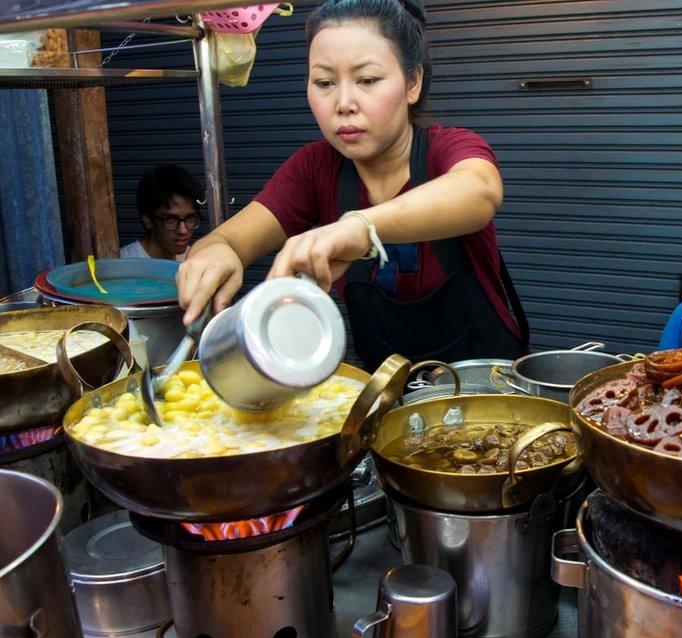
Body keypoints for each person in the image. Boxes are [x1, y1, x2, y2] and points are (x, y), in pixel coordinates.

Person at [176, 0, 528, 371]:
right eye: (324, 83)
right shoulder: (315, 168)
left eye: (368, 80)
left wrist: (359, 228)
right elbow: (228, 241)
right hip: (380, 398)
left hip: (490, 391)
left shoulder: (446, 148)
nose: (343, 103)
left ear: (413, 83)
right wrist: (216, 252)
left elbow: (479, 190)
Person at [119, 164, 204, 261]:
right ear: (148, 220)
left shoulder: (194, 260)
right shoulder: (123, 265)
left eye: (190, 218)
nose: (183, 230)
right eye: (171, 219)